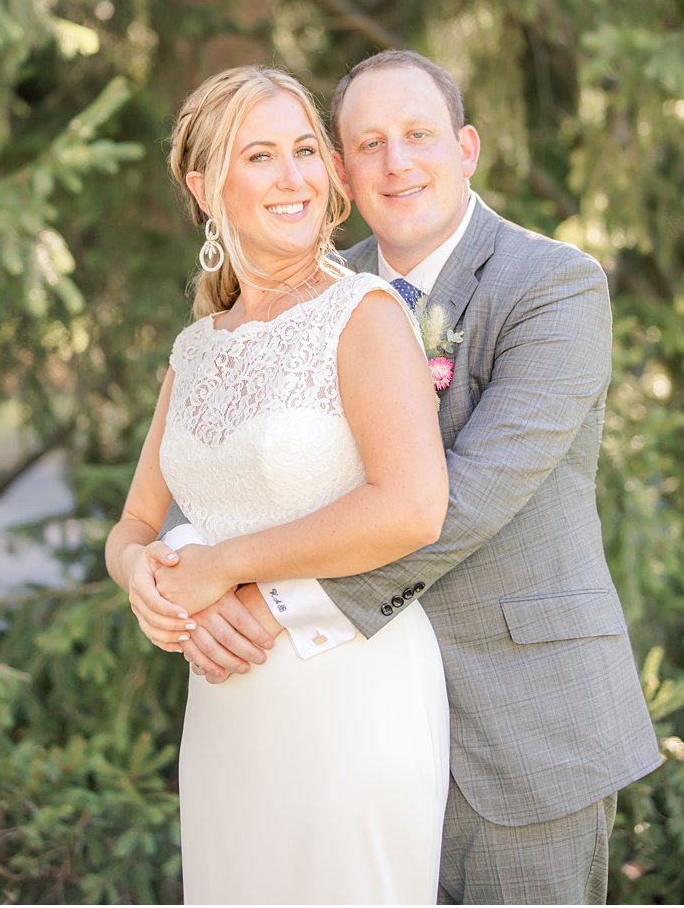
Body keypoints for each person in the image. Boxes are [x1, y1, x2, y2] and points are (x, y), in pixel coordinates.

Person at [156, 50, 662, 904]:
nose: (397, 162)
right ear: (343, 168)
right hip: (337, 732)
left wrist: (255, 597)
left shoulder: (554, 286)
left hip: (519, 726)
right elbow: (220, 456)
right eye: (368, 143)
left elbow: (461, 501)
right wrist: (176, 568)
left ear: (465, 147)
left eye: (419, 135)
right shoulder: (312, 292)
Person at [104, 65, 453, 904]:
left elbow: (412, 506)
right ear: (204, 184)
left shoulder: (363, 313)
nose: (294, 176)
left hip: (353, 697)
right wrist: (142, 581)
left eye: (305, 150)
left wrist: (223, 564)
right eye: (260, 155)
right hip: (226, 711)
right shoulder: (196, 349)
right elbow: (134, 523)